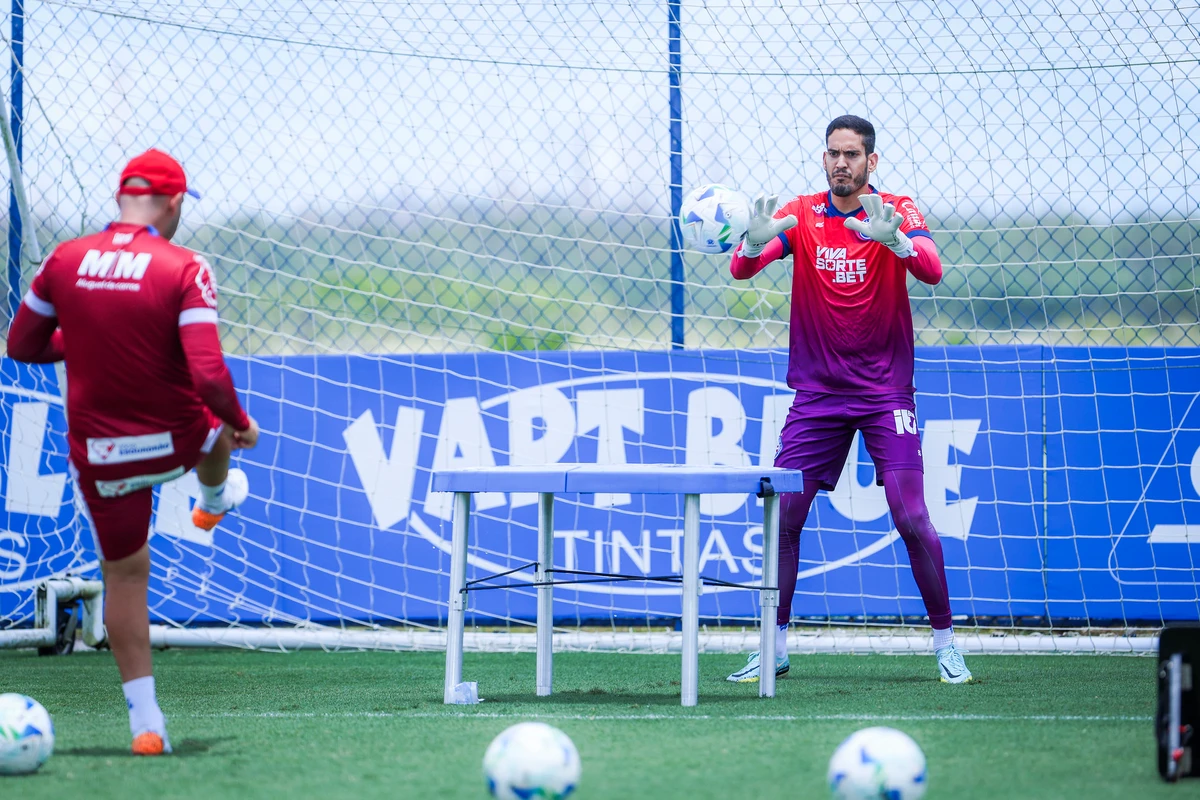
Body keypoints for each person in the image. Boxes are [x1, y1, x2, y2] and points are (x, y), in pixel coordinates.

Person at [7, 148, 259, 753]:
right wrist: (242, 424)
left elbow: (21, 344)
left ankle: (147, 727)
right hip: (172, 439)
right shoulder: (185, 266)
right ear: (173, 202)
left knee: (123, 576)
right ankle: (213, 496)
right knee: (216, 429)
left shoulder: (65, 260)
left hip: (101, 453)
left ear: (122, 197)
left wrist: (86, 338)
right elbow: (206, 373)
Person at [725, 115, 972, 684]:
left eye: (852, 155)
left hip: (886, 393)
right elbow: (743, 269)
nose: (841, 163)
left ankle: (946, 643)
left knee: (912, 517)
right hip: (817, 396)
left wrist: (898, 241)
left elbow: (932, 271)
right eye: (833, 153)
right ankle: (775, 645)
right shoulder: (804, 213)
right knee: (784, 516)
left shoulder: (897, 210)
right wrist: (751, 240)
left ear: (871, 162)